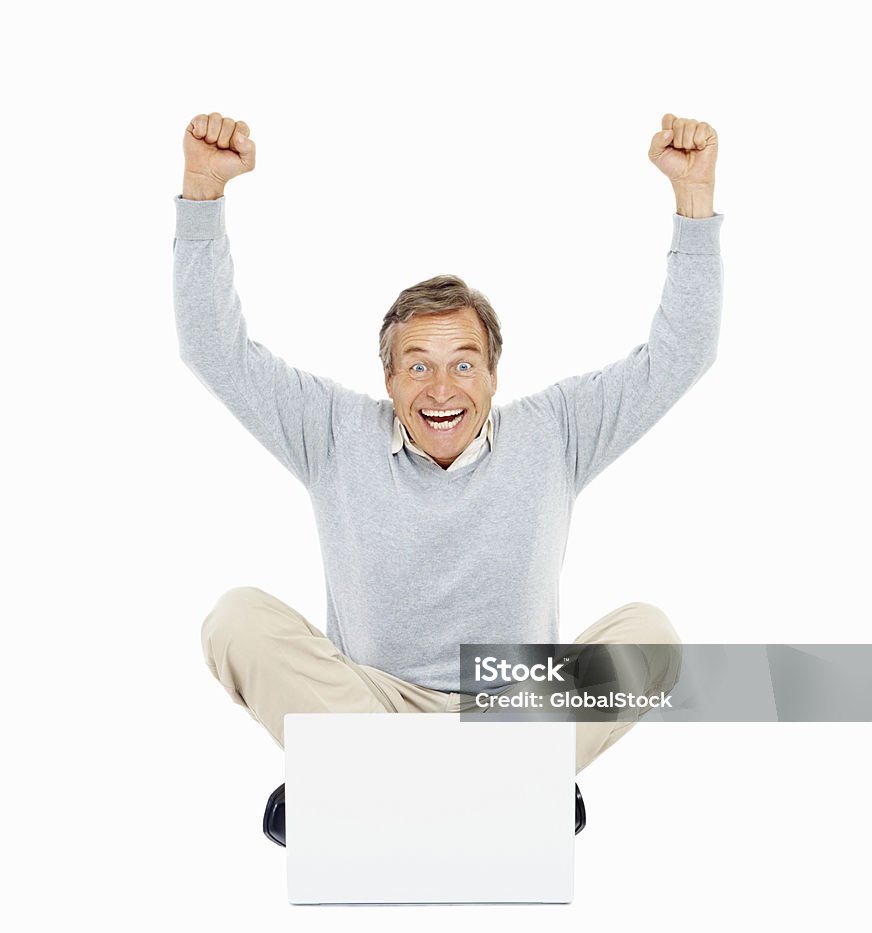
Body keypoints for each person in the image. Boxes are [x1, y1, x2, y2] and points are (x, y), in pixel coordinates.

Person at [173, 110, 724, 842]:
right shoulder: (334, 431)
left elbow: (679, 356)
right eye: (419, 367)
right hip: (368, 707)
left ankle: (368, 789)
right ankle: (490, 795)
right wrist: (203, 193)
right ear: (390, 380)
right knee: (235, 619)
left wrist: (694, 202)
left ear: (494, 377)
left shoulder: (555, 432)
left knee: (650, 635)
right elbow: (215, 349)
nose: (441, 390)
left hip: (511, 715)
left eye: (464, 364)